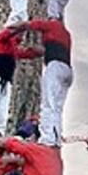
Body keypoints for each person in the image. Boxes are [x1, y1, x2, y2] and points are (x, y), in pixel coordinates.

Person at [0, 27, 43, 148]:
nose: (22, 37)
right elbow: (9, 33)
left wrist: (41, 51)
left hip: (6, 83)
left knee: (0, 118)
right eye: (20, 34)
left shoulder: (14, 49)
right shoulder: (3, 39)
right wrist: (23, 24)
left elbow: (26, 53)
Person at [17, 18, 72, 147]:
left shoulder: (51, 25)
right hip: (68, 71)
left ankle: (47, 139)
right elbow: (42, 50)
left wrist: (14, 28)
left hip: (55, 66)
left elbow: (31, 25)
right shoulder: (66, 35)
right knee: (57, 108)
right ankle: (56, 139)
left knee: (47, 104)